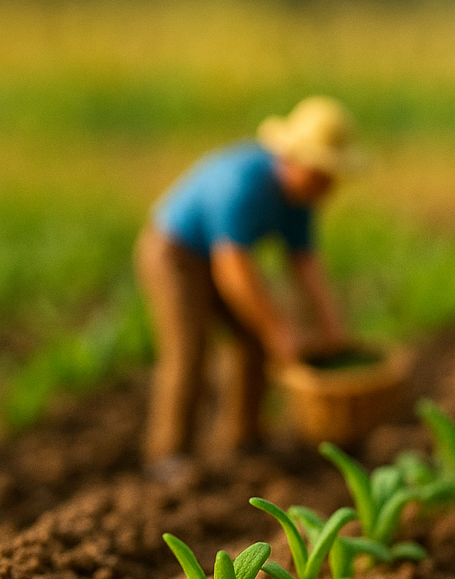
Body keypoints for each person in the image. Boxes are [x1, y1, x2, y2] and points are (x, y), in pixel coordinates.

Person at [135, 95, 358, 474]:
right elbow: (233, 270)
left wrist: (331, 327)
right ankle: (168, 453)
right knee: (190, 349)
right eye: (320, 173)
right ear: (292, 158)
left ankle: (244, 438)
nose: (327, 185)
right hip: (173, 254)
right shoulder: (242, 185)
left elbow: (305, 265)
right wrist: (278, 327)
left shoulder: (300, 200)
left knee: (253, 342)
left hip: (219, 258)